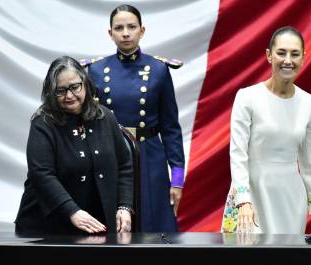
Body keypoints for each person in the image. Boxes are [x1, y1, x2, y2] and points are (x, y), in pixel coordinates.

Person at [84, 4, 185, 232]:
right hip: (111, 154)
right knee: (112, 226)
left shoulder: (158, 68)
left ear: (142, 30)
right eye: (119, 28)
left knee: (154, 228)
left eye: (132, 26)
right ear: (110, 33)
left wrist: (177, 179)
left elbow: (171, 128)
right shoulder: (97, 70)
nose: (126, 33)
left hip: (149, 155)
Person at [221, 26, 311, 234]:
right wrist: (243, 201)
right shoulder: (246, 97)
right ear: (269, 55)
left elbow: (309, 163)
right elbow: (238, 154)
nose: (288, 60)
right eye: (281, 53)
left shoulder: (309, 103)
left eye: (295, 54)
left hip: (290, 199)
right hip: (250, 196)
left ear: (303, 58)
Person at [15, 56, 133, 235]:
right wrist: (72, 211)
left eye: (74, 87)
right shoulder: (43, 122)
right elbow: (42, 174)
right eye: (60, 90)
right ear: (51, 92)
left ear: (85, 83)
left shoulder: (105, 117)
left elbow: (125, 165)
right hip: (47, 228)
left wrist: (124, 206)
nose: (69, 95)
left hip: (99, 225)